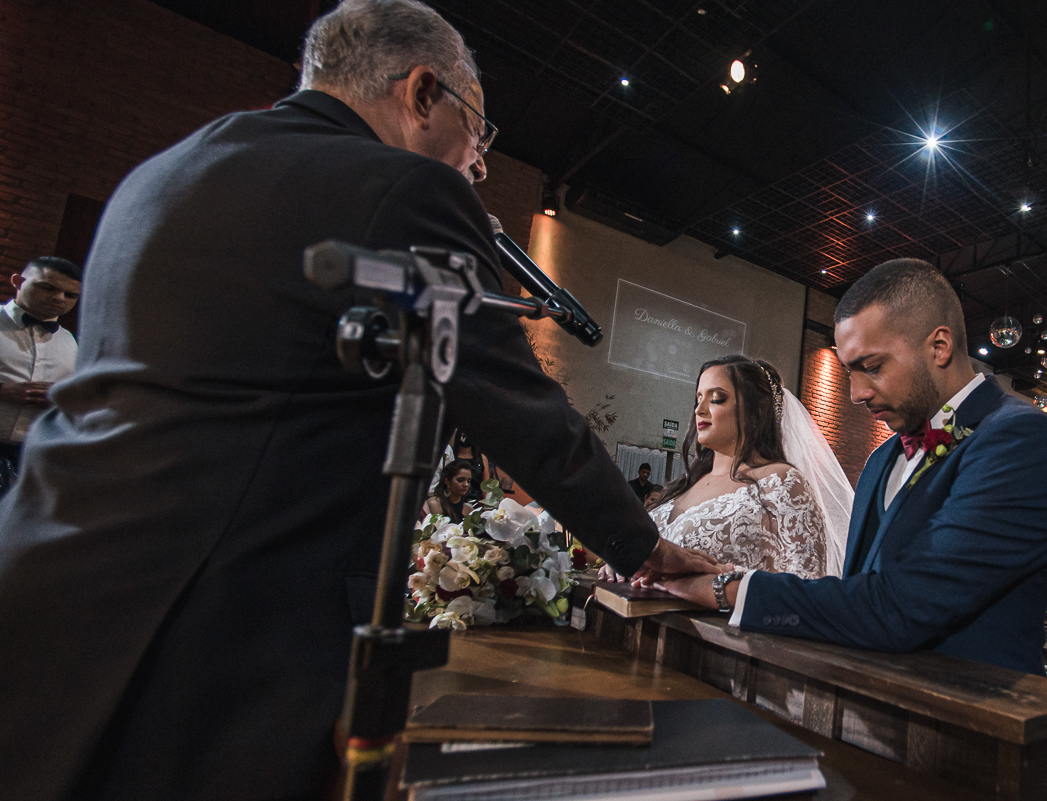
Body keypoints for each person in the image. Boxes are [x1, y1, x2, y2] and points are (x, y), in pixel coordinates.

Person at [0, 3, 718, 800]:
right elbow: (519, 406)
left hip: (46, 588)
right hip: (218, 631)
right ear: (422, 92)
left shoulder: (160, 174)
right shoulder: (407, 188)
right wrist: (644, 547)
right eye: (478, 131)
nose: (480, 165)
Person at [656, 259, 1047, 674]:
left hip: (973, 707)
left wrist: (723, 589)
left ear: (940, 347)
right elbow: (853, 595)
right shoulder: (882, 459)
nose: (856, 393)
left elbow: (903, 607)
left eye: (872, 367)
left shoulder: (1022, 440)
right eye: (849, 371)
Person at [604, 356, 853, 580]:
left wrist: (716, 583)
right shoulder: (685, 484)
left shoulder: (780, 481)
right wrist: (626, 564)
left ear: (756, 411)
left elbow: (806, 585)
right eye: (698, 399)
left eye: (716, 399)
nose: (699, 410)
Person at [0, 256, 81, 480]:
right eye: (47, 287)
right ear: (18, 281)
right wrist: (2, 390)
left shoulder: (76, 344)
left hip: (34, 460)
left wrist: (63, 398)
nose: (59, 298)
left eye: (70, 295)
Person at [424, 458, 474, 523]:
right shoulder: (435, 503)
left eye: (469, 481)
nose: (466, 484)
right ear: (447, 481)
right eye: (460, 480)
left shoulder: (469, 509)